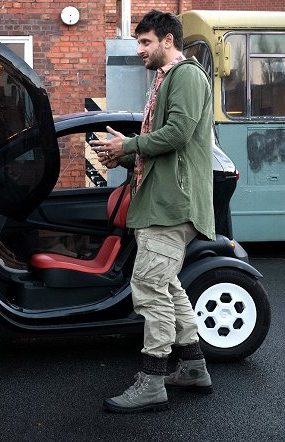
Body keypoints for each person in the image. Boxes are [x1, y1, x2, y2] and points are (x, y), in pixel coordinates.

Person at [91, 10, 215, 413]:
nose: (139, 50)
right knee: (168, 285)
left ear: (168, 40)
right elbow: (160, 150)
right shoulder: (164, 82)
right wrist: (123, 156)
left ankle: (152, 382)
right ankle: (194, 368)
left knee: (148, 289)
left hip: (171, 206)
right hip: (159, 204)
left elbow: (178, 134)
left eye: (145, 42)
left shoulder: (186, 77)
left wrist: (128, 146)